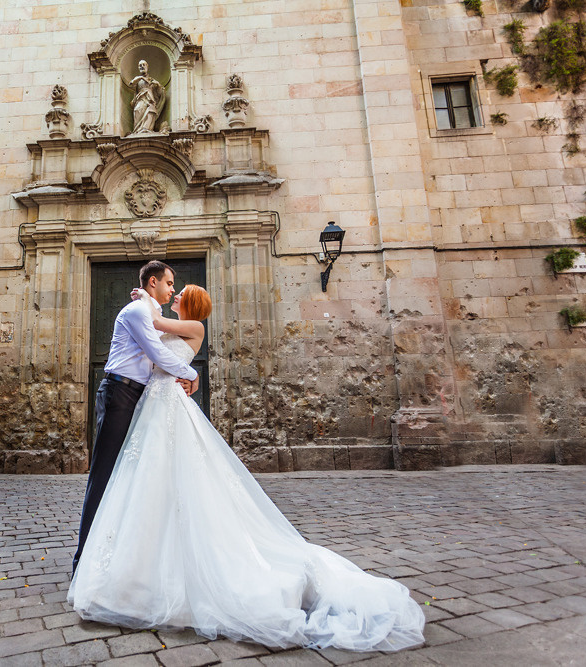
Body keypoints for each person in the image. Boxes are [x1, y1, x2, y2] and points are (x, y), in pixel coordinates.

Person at [68, 285, 426, 651]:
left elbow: (154, 336)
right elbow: (150, 339)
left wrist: (145, 302)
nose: (174, 294)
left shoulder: (192, 327)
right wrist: (167, 338)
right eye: (172, 288)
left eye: (180, 292)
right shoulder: (168, 325)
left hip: (166, 405)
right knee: (152, 483)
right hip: (156, 404)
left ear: (189, 304)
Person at [71, 261, 198, 576]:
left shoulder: (149, 311)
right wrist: (193, 373)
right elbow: (157, 354)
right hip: (119, 393)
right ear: (153, 281)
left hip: (135, 397)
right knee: (103, 475)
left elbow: (164, 338)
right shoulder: (139, 312)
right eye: (169, 283)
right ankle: (82, 561)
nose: (172, 289)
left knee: (125, 474)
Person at [130, 59, 166, 134]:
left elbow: (159, 94)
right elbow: (131, 84)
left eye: (143, 65)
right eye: (140, 65)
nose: (142, 67)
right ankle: (138, 130)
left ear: (147, 66)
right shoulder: (138, 79)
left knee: (151, 111)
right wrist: (141, 78)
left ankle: (147, 129)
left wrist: (158, 86)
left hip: (150, 100)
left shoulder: (152, 80)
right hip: (141, 99)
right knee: (138, 110)